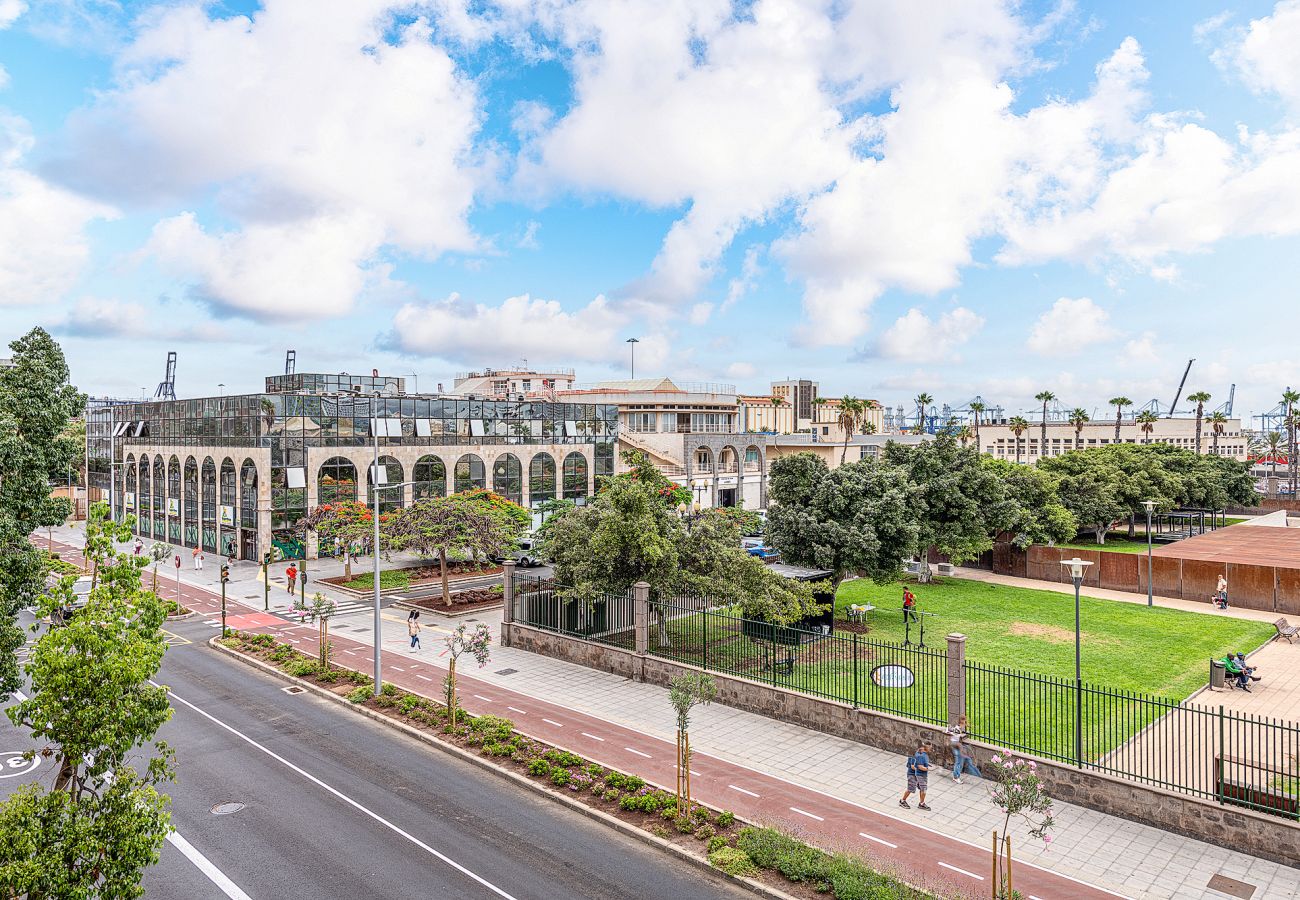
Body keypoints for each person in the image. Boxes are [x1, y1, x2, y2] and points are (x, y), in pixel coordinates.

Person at [948, 714, 982, 783]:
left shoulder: (958, 727)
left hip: (955, 744)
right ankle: (956, 777)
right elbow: (954, 736)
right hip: (955, 744)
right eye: (964, 722)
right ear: (961, 722)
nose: (965, 724)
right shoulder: (957, 729)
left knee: (963, 759)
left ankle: (960, 773)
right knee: (959, 760)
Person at [900, 740, 932, 810]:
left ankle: (921, 803)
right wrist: (925, 768)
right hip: (912, 774)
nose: (930, 749)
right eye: (929, 747)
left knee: (922, 788)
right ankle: (902, 801)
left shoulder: (922, 754)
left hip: (918, 774)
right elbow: (912, 766)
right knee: (910, 789)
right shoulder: (915, 755)